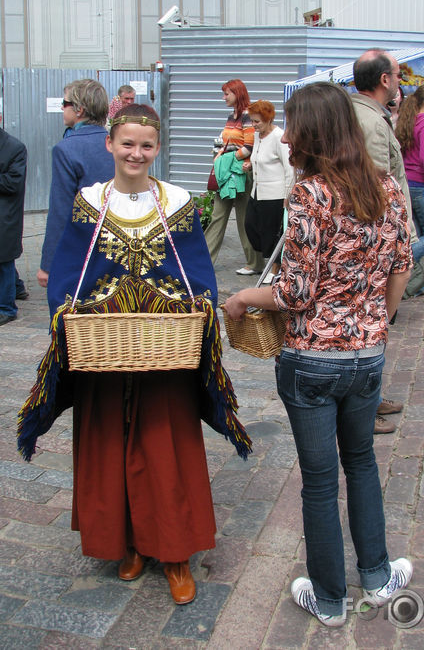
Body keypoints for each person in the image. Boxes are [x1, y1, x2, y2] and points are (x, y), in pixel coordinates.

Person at [18, 104, 251, 604]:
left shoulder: (178, 202)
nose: (136, 153)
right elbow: (67, 272)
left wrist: (190, 310)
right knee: (109, 441)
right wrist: (72, 315)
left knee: (165, 446)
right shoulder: (88, 201)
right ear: (110, 144)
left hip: (166, 349)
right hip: (103, 349)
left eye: (146, 145)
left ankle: (173, 551)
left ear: (157, 148)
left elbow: (197, 274)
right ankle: (128, 543)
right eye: (127, 144)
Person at [224, 82, 413, 627]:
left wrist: (242, 298)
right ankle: (376, 576)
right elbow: (400, 268)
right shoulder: (387, 189)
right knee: (362, 462)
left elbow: (295, 291)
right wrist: (377, 324)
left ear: (311, 131)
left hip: (312, 358)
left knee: (321, 478)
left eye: (292, 123)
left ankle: (329, 598)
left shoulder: (309, 194)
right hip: (367, 352)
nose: (285, 133)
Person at [351, 49, 411, 434]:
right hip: (375, 241)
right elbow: (376, 190)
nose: (400, 83)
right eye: (397, 76)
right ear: (385, 80)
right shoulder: (370, 121)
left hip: (375, 239)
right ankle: (363, 406)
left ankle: (370, 397)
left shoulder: (368, 114)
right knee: (370, 322)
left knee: (371, 321)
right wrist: (390, 243)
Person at [37, 79, 114, 288]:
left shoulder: (66, 149)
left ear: (79, 109)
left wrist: (48, 264)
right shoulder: (117, 144)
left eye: (66, 103)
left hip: (81, 250)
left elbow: (61, 211)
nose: (62, 107)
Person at [204, 79, 264, 275]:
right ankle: (203, 261)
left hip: (240, 171)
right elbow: (229, 142)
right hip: (227, 171)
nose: (223, 97)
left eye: (226, 93)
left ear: (237, 94)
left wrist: (228, 159)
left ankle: (255, 264)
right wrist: (221, 154)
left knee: (244, 218)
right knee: (218, 216)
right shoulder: (232, 116)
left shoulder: (247, 116)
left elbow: (249, 146)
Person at [243, 100, 294, 283]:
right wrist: (250, 165)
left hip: (275, 194)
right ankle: (267, 265)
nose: (254, 125)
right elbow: (258, 157)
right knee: (250, 225)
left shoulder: (279, 136)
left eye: (257, 121)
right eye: (252, 121)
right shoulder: (258, 136)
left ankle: (275, 269)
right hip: (257, 191)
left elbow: (289, 168)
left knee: (272, 233)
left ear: (268, 119)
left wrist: (288, 195)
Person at [395, 83, 424, 266]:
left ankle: (416, 282)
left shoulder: (410, 121)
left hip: (408, 181)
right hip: (421, 183)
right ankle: (403, 267)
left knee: (418, 233)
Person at [0, 114, 27, 325]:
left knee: (4, 259)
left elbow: (12, 183)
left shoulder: (15, 147)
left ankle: (7, 308)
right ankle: (17, 288)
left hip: (5, 214)